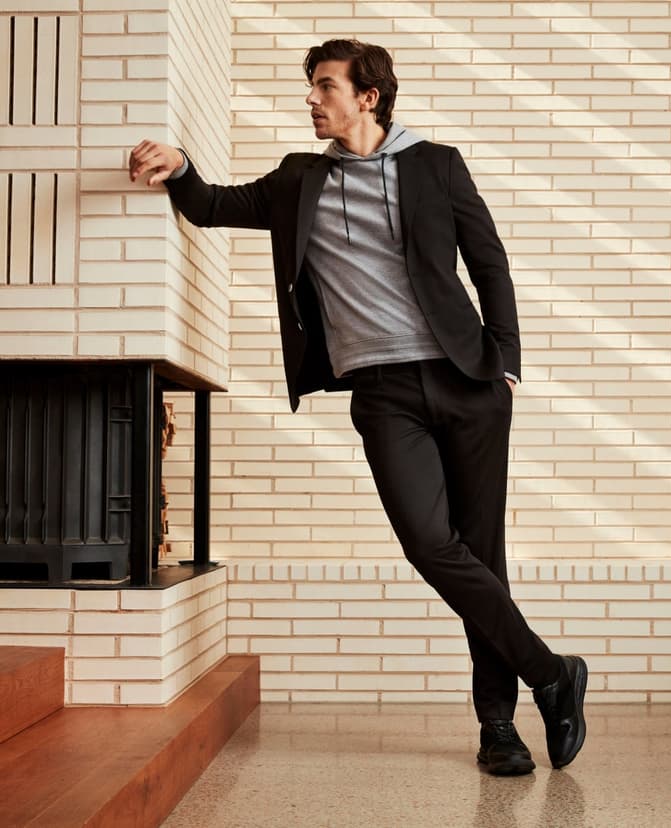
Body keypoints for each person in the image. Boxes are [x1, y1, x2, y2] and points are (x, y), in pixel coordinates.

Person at [128, 38, 587, 776]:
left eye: (324, 86)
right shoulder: (297, 179)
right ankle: (552, 673)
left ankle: (498, 726)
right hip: (381, 393)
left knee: (482, 553)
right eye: (311, 87)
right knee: (432, 546)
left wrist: (504, 366)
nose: (311, 99)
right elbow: (213, 207)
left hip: (467, 381)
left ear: (367, 96)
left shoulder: (437, 164)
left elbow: (489, 260)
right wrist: (180, 165)